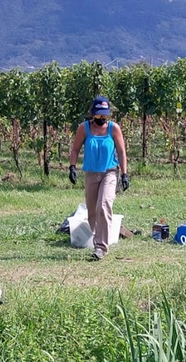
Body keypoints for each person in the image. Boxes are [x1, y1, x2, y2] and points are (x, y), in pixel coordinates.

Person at [68, 96, 129, 262]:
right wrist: (72, 167)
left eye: (104, 115)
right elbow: (74, 149)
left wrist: (124, 174)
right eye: (98, 115)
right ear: (92, 114)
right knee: (93, 211)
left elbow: (122, 152)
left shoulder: (113, 128)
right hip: (91, 173)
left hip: (110, 172)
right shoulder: (84, 128)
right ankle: (98, 236)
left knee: (104, 204)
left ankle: (101, 247)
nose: (101, 119)